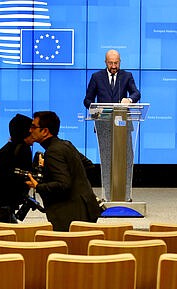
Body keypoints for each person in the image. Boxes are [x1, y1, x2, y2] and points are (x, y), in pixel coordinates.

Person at [26, 111, 100, 231]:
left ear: (45, 131)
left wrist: (38, 186)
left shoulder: (53, 151)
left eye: (34, 127)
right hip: (85, 210)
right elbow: (88, 165)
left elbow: (63, 184)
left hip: (70, 216)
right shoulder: (65, 145)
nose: (30, 130)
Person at [83, 49, 141, 202]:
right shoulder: (96, 77)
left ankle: (126, 196)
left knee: (127, 159)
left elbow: (136, 93)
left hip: (123, 126)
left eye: (116, 63)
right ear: (105, 62)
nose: (114, 66)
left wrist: (130, 100)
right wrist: (97, 109)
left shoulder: (126, 76)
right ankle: (108, 196)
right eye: (111, 63)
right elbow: (87, 100)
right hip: (104, 125)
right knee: (107, 160)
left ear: (120, 62)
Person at [0, 114, 34, 227]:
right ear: (25, 133)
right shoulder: (23, 150)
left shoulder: (7, 150)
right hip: (3, 207)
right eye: (31, 131)